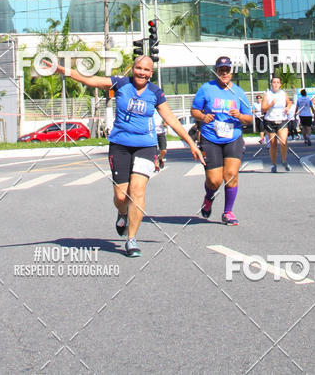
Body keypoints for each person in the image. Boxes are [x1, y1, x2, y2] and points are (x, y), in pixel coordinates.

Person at [52, 55, 204, 258]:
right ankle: (122, 213)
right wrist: (66, 71)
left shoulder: (155, 93)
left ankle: (131, 239)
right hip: (120, 146)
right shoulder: (120, 83)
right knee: (121, 196)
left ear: (151, 73)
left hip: (146, 147)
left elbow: (171, 119)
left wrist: (191, 143)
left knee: (138, 191)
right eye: (138, 68)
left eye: (146, 70)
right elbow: (91, 80)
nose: (142, 72)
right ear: (133, 69)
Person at [191, 56, 252, 225]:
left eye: (227, 70)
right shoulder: (206, 89)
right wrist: (203, 116)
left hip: (233, 138)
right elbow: (194, 110)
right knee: (214, 180)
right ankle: (209, 198)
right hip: (211, 138)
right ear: (216, 72)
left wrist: (240, 116)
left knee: (231, 175)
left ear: (231, 72)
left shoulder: (238, 92)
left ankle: (228, 212)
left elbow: (249, 118)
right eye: (221, 70)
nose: (224, 73)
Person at [262, 75, 292, 172]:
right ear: (271, 84)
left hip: (282, 120)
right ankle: (273, 164)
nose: (275, 84)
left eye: (277, 82)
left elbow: (289, 102)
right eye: (273, 82)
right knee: (273, 144)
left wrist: (288, 107)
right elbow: (263, 109)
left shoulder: (283, 94)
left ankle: (284, 160)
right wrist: (270, 105)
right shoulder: (267, 94)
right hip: (270, 121)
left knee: (283, 141)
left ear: (280, 84)